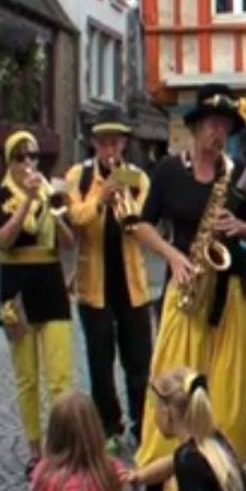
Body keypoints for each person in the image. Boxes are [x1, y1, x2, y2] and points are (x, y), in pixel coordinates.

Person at [130, 84, 246, 491]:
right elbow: (141, 225)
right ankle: (156, 483)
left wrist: (240, 225)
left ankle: (220, 476)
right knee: (170, 387)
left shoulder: (238, 172)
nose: (217, 133)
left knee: (229, 390)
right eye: (210, 124)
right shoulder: (169, 170)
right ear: (194, 127)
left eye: (224, 126)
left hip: (231, 294)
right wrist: (173, 256)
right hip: (186, 291)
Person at [65, 106, 153, 454]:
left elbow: (141, 223)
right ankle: (109, 427)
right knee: (100, 366)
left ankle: (142, 425)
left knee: (139, 364)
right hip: (94, 287)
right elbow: (75, 216)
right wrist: (101, 200)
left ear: (124, 144)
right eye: (104, 142)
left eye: (116, 142)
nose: (110, 149)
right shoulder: (79, 176)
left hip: (133, 286)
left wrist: (124, 200)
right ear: (94, 143)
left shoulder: (138, 178)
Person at [0, 130, 75, 480]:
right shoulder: (0, 195)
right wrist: (26, 199)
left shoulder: (49, 191)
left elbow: (68, 243)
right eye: (21, 157)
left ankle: (62, 448)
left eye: (34, 157)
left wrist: (56, 212)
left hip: (51, 287)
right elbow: (3, 239)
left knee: (60, 377)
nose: (29, 163)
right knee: (27, 378)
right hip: (17, 291)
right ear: (9, 162)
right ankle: (35, 451)